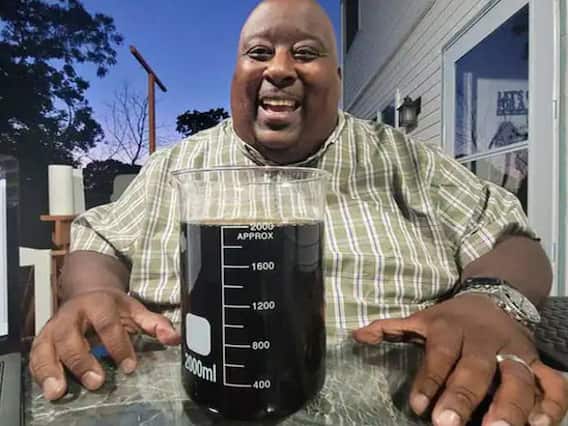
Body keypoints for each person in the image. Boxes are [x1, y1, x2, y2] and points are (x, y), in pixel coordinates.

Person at [29, 0, 568, 425]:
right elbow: (97, 242)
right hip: (195, 402)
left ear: (338, 77)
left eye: (305, 53)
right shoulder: (176, 166)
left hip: (406, 403)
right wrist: (91, 293)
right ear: (236, 71)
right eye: (259, 52)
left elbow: (513, 241)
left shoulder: (407, 161)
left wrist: (489, 304)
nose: (280, 69)